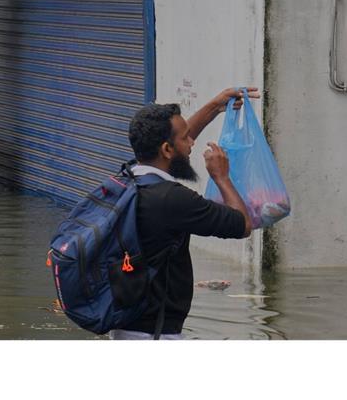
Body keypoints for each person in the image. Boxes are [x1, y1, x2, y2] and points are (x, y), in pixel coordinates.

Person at [109, 87, 259, 340]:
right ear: (166, 149)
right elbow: (242, 224)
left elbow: (174, 147)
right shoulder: (174, 199)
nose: (192, 144)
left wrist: (214, 106)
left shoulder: (128, 179)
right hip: (156, 334)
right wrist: (221, 177)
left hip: (126, 326)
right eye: (186, 139)